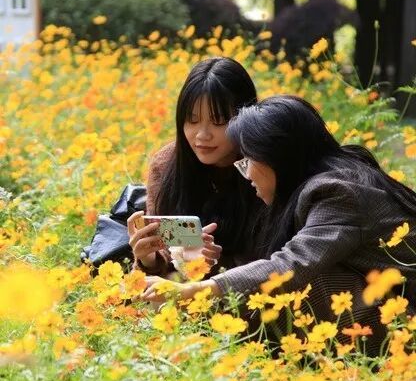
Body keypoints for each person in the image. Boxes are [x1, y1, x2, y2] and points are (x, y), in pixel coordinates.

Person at [142, 95, 416, 349]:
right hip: (390, 305)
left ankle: (201, 328)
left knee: (303, 284)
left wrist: (196, 291)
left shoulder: (336, 192)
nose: (247, 174)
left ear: (276, 156)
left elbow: (292, 264)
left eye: (248, 160)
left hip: (405, 322)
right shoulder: (323, 180)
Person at [128, 57, 262, 277]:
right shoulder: (166, 165)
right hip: (181, 288)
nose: (202, 135)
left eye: (218, 121)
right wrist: (148, 259)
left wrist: (216, 263)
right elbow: (160, 269)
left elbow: (276, 260)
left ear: (245, 116)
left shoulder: (262, 166)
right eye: (192, 120)